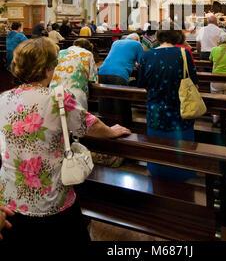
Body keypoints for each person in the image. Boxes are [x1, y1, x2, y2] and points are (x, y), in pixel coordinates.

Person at [0, 37, 130, 243]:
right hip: (51, 199)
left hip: (10, 200)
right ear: (46, 70)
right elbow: (89, 125)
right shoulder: (57, 98)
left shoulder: (3, 98)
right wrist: (111, 131)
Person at [137, 28, 198, 182]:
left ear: (159, 37)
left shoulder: (147, 55)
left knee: (157, 145)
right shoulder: (183, 54)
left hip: (156, 108)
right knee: (182, 143)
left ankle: (157, 171)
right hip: (180, 107)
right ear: (178, 37)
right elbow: (194, 83)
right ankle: (183, 173)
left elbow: (142, 84)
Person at [98, 33, 144, 125]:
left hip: (102, 72)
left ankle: (107, 124)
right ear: (137, 39)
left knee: (106, 101)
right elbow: (141, 63)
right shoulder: (137, 44)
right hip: (119, 74)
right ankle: (125, 125)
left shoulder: (116, 42)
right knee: (122, 102)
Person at [50, 38, 97, 109]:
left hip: (54, 91)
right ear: (87, 47)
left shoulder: (60, 52)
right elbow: (92, 78)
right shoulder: (88, 54)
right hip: (75, 94)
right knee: (77, 119)